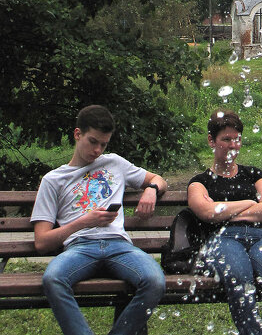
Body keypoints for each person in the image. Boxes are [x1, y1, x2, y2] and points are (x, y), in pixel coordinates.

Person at [31, 105, 167, 335]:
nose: (97, 150)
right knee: (53, 279)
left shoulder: (115, 163)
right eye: (93, 141)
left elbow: (158, 179)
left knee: (155, 281)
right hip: (79, 248)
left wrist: (152, 189)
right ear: (78, 134)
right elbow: (41, 242)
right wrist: (85, 221)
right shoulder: (53, 180)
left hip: (119, 246)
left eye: (103, 144)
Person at [188, 109, 262, 335]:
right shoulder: (200, 182)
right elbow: (207, 212)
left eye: (237, 139)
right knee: (238, 275)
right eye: (226, 139)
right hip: (222, 239)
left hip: (261, 237)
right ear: (211, 141)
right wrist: (249, 203)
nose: (233, 146)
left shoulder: (255, 175)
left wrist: (225, 211)